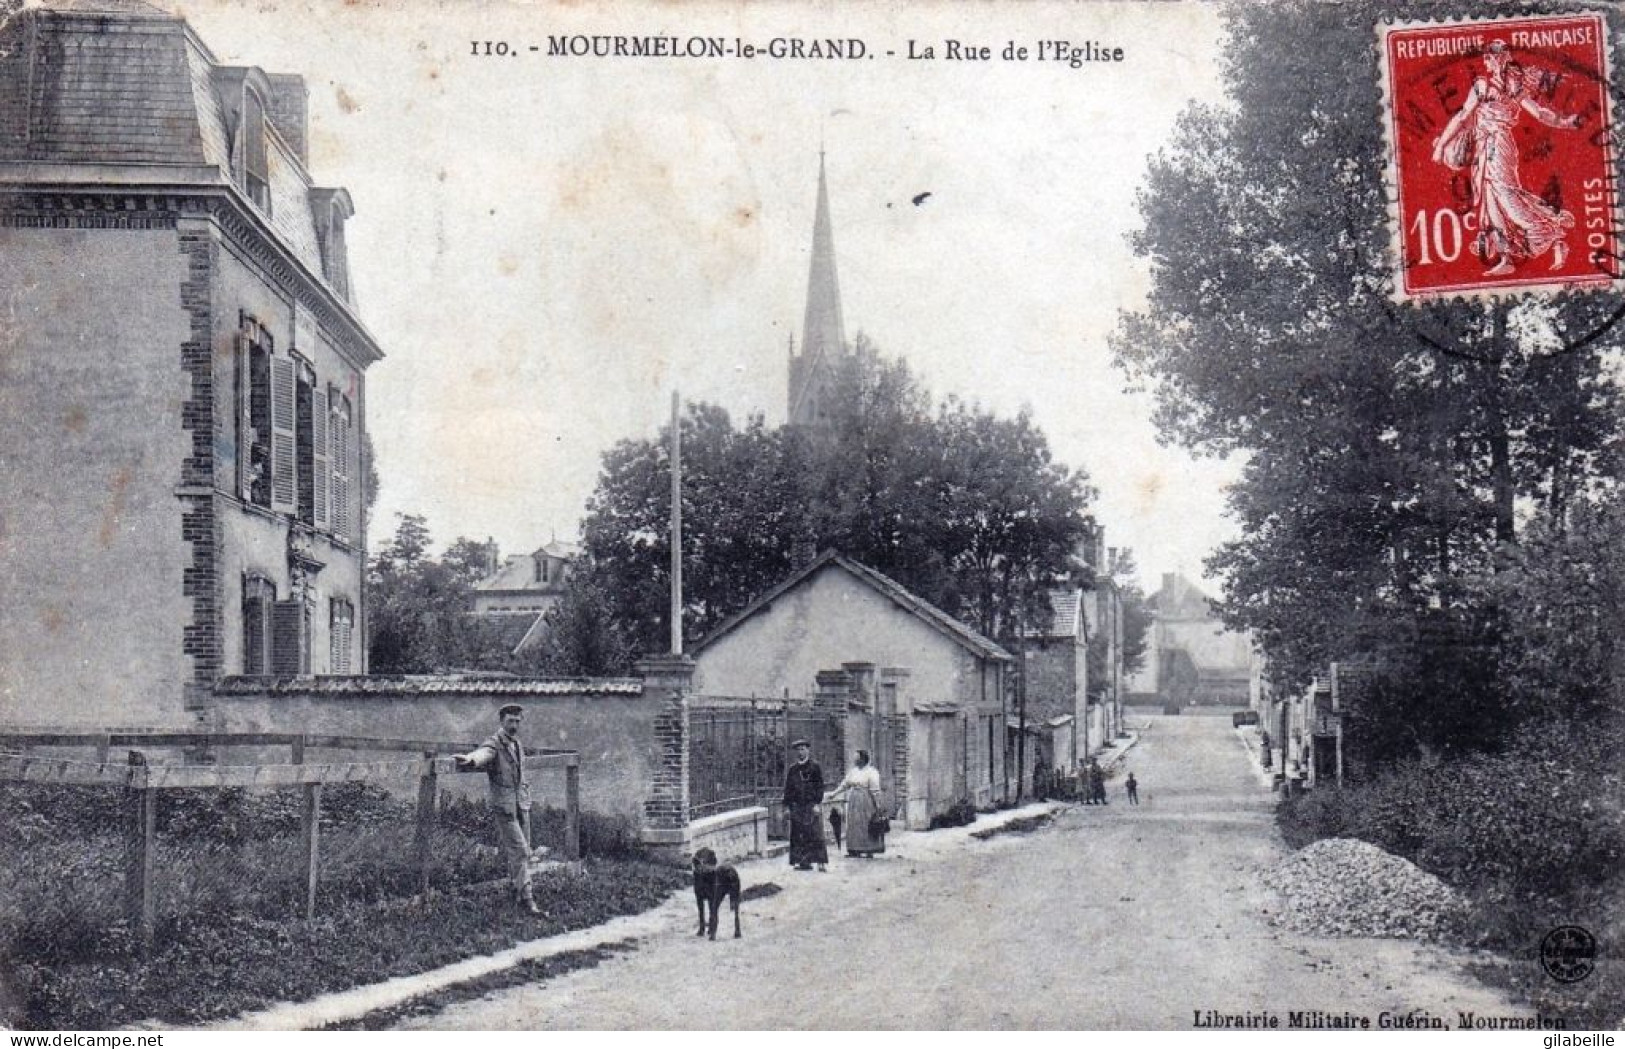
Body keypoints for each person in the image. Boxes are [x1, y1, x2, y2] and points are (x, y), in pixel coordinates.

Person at [1431, 41, 1583, 276]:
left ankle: (1551, 235)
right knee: (1492, 203)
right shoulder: (1482, 86)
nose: (1489, 62)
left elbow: (1539, 112)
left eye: (1493, 57)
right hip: (1484, 146)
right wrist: (1441, 145)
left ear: (1503, 58)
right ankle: (1506, 257)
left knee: (1507, 198)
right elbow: (1462, 117)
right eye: (1488, 58)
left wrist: (1564, 122)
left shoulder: (1514, 86)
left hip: (1500, 146)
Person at [455, 703, 539, 913]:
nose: (514, 725)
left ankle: (517, 893)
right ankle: (528, 900)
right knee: (520, 850)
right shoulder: (496, 743)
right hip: (505, 807)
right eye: (510, 721)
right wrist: (471, 759)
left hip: (521, 804)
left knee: (522, 850)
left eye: (518, 721)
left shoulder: (517, 744)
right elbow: (484, 753)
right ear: (501, 721)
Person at [826, 749, 886, 858]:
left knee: (866, 824)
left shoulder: (872, 772)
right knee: (854, 824)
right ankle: (854, 849)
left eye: (857, 758)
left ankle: (869, 849)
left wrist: (878, 805)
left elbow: (875, 791)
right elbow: (845, 784)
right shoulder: (853, 772)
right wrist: (834, 793)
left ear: (863, 759)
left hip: (866, 801)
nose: (855, 760)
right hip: (854, 801)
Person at [782, 739, 828, 871]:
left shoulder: (815, 767)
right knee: (797, 834)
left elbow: (820, 787)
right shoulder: (793, 769)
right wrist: (787, 807)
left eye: (803, 749)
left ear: (808, 750)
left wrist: (817, 803)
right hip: (797, 806)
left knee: (815, 833)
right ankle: (802, 861)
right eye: (798, 750)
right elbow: (788, 789)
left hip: (811, 805)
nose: (800, 752)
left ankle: (820, 862)